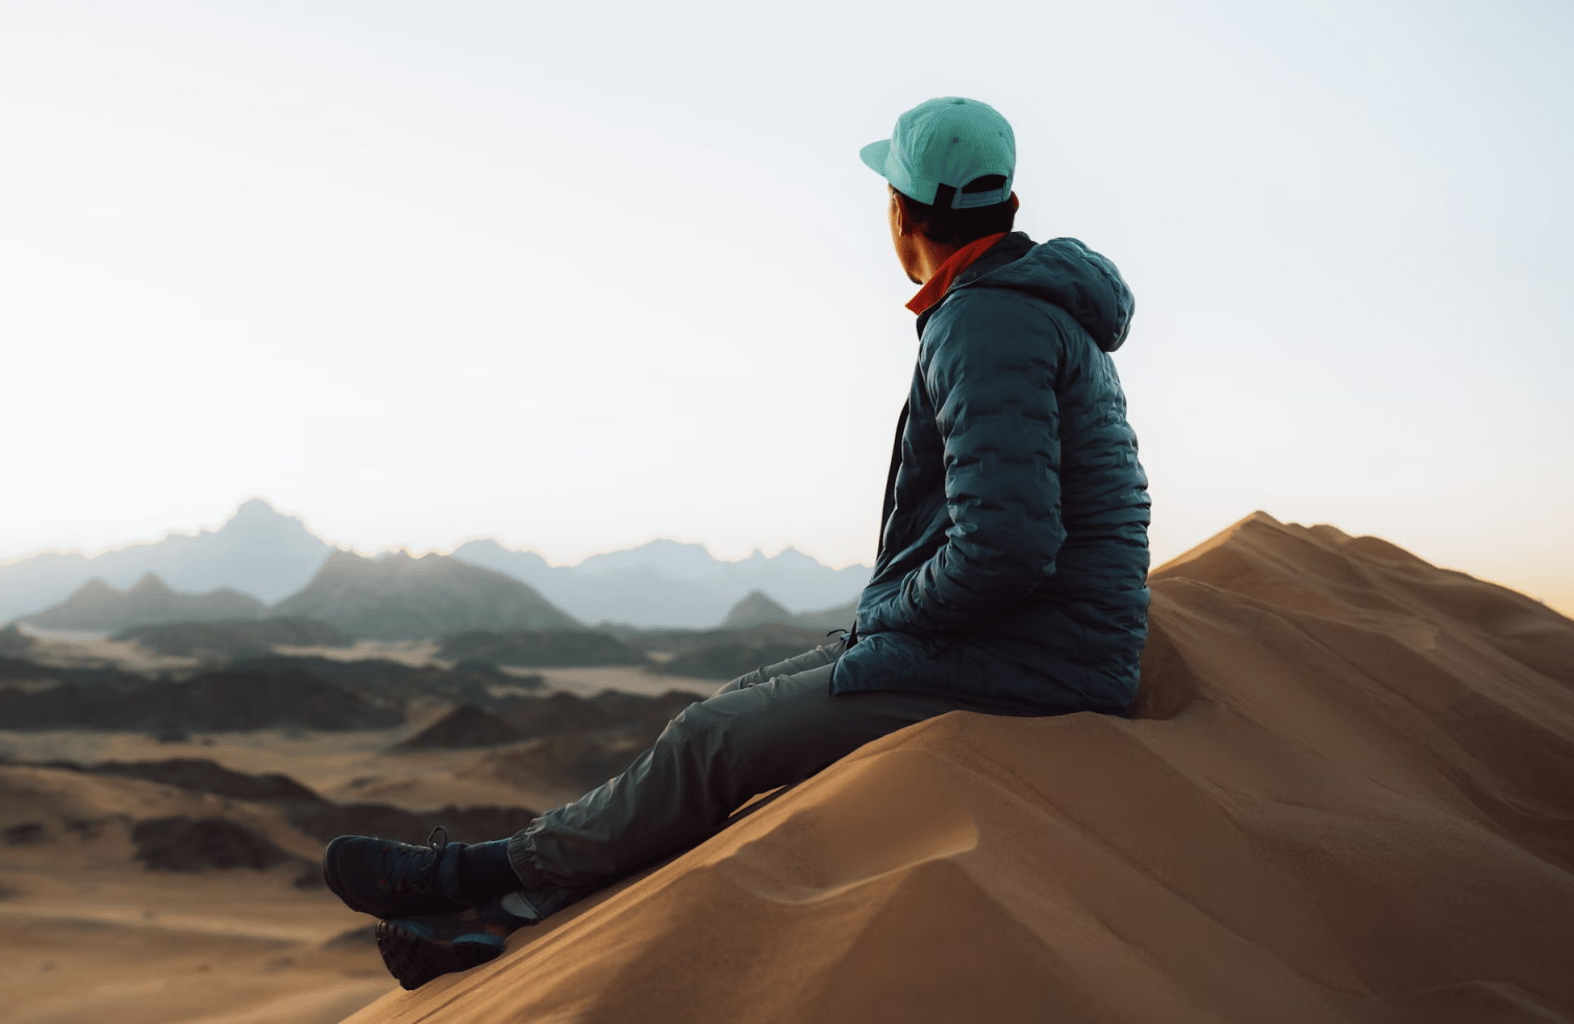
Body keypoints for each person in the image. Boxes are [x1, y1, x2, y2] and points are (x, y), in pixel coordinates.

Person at [323, 96, 1152, 991]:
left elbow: (1008, 546)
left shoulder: (983, 320)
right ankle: (513, 916)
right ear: (1011, 211)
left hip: (1029, 662)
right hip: (1032, 644)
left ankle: (473, 878)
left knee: (715, 738)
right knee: (734, 709)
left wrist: (897, 619)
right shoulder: (1027, 308)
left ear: (901, 214)